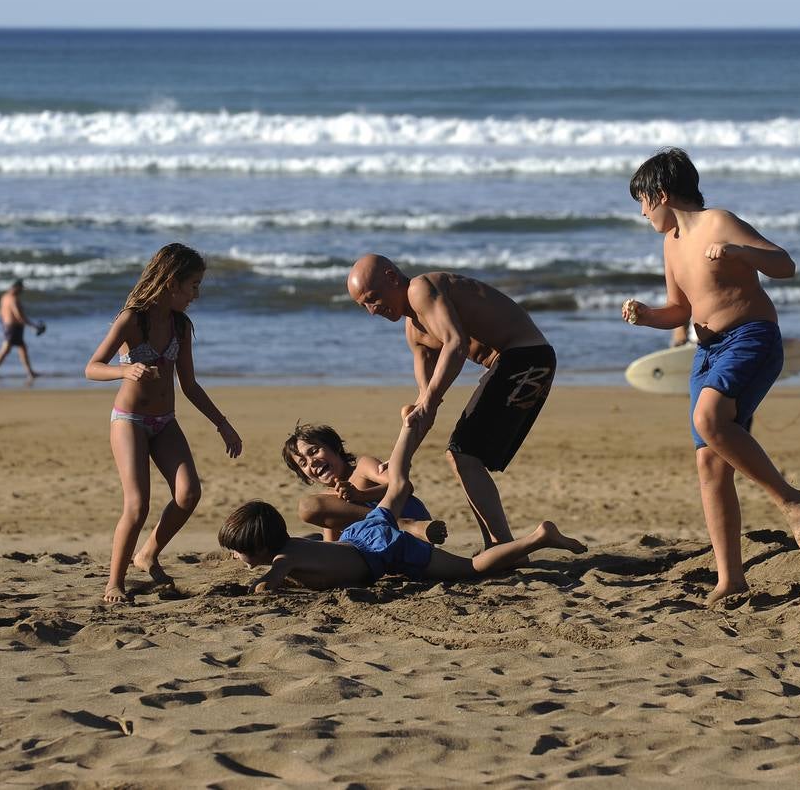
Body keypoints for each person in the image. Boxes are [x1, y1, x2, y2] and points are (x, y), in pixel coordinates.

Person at [622, 148, 800, 604]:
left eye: (643, 202)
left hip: (752, 337)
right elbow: (681, 310)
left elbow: (785, 264)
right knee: (709, 462)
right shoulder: (670, 243)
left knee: (711, 421)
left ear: (661, 194)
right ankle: (731, 578)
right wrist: (648, 315)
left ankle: (788, 497)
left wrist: (738, 251)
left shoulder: (718, 222)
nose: (643, 212)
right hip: (707, 352)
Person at [220, 409, 586, 592]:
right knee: (390, 489)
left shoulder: (287, 556)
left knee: (471, 569)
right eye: (302, 462)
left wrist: (259, 583)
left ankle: (538, 537)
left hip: (382, 546)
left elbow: (271, 582)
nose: (311, 462)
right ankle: (410, 428)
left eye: (238, 551)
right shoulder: (296, 547)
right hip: (364, 536)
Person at [346, 254, 555, 549]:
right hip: (511, 365)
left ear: (392, 277)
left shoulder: (421, 288)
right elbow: (424, 408)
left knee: (463, 455)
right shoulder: (414, 332)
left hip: (527, 358)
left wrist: (429, 400)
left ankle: (503, 548)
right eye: (364, 306)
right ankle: (499, 547)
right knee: (462, 456)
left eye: (373, 298)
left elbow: (455, 345)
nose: (371, 310)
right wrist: (396, 461)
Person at [85, 243, 244, 604]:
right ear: (171, 283)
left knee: (189, 494)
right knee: (137, 504)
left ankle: (148, 554)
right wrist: (124, 370)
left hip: (164, 421)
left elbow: (189, 385)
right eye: (192, 286)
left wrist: (223, 424)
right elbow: (91, 367)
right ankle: (115, 582)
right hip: (129, 421)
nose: (196, 295)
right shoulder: (132, 319)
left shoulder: (180, 326)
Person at [282, 422, 446, 545]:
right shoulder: (327, 501)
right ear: (305, 475)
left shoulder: (362, 468)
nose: (312, 462)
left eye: (314, 451)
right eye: (303, 463)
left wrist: (361, 495)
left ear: (335, 447)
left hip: (415, 530)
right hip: (379, 547)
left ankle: (403, 525)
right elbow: (333, 544)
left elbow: (404, 486)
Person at [0, 279, 45, 382]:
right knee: (5, 351)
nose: (22, 291)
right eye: (21, 288)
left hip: (9, 327)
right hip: (13, 328)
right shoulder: (13, 299)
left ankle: (30, 373)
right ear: (16, 287)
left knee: (22, 349)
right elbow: (19, 316)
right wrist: (32, 326)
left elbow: (1, 313)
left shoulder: (4, 297)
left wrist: (2, 326)